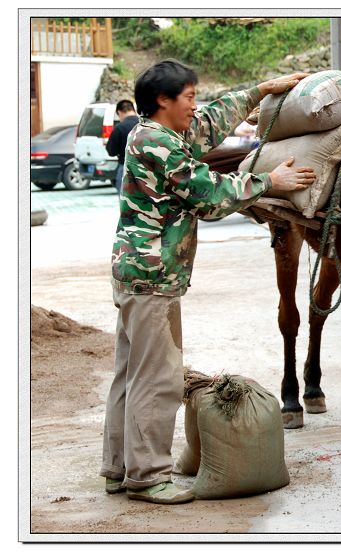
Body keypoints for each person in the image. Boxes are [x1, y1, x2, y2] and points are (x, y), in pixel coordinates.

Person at [100, 59, 317, 504]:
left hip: (139, 273)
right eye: (189, 97)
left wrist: (259, 90)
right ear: (163, 101)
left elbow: (208, 123)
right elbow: (210, 195)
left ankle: (120, 468)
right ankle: (147, 476)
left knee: (130, 373)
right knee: (158, 379)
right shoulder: (159, 144)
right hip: (153, 276)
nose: (195, 106)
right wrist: (270, 181)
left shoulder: (154, 132)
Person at [106, 100, 139, 194]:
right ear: (133, 109)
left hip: (125, 168)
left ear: (119, 112)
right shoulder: (145, 124)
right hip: (146, 168)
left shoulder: (119, 128)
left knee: (125, 200)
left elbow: (111, 151)